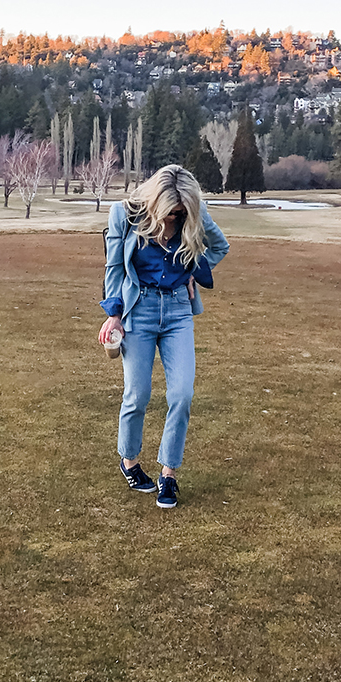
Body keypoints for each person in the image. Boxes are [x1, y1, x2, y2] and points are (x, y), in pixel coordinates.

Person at [98, 164, 229, 508]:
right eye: (171, 213)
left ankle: (168, 475)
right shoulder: (124, 215)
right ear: (155, 202)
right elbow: (113, 269)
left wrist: (194, 270)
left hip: (177, 312)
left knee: (182, 394)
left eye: (181, 214)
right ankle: (129, 461)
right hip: (138, 310)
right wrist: (114, 315)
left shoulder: (193, 215)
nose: (175, 220)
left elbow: (220, 246)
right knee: (137, 395)